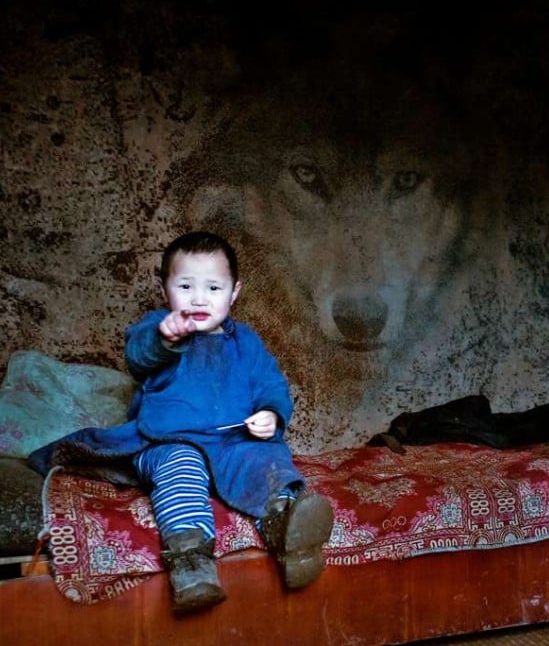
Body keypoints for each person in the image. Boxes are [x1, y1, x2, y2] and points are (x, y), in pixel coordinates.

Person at [29, 231, 334, 614]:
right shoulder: (158, 328)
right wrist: (163, 337)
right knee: (181, 467)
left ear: (234, 292)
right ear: (164, 288)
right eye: (185, 285)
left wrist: (270, 413)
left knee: (266, 461)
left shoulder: (247, 342)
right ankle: (192, 563)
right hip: (166, 440)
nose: (198, 298)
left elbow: (271, 383)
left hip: (231, 442)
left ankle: (287, 530)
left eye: (213, 287)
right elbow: (139, 356)